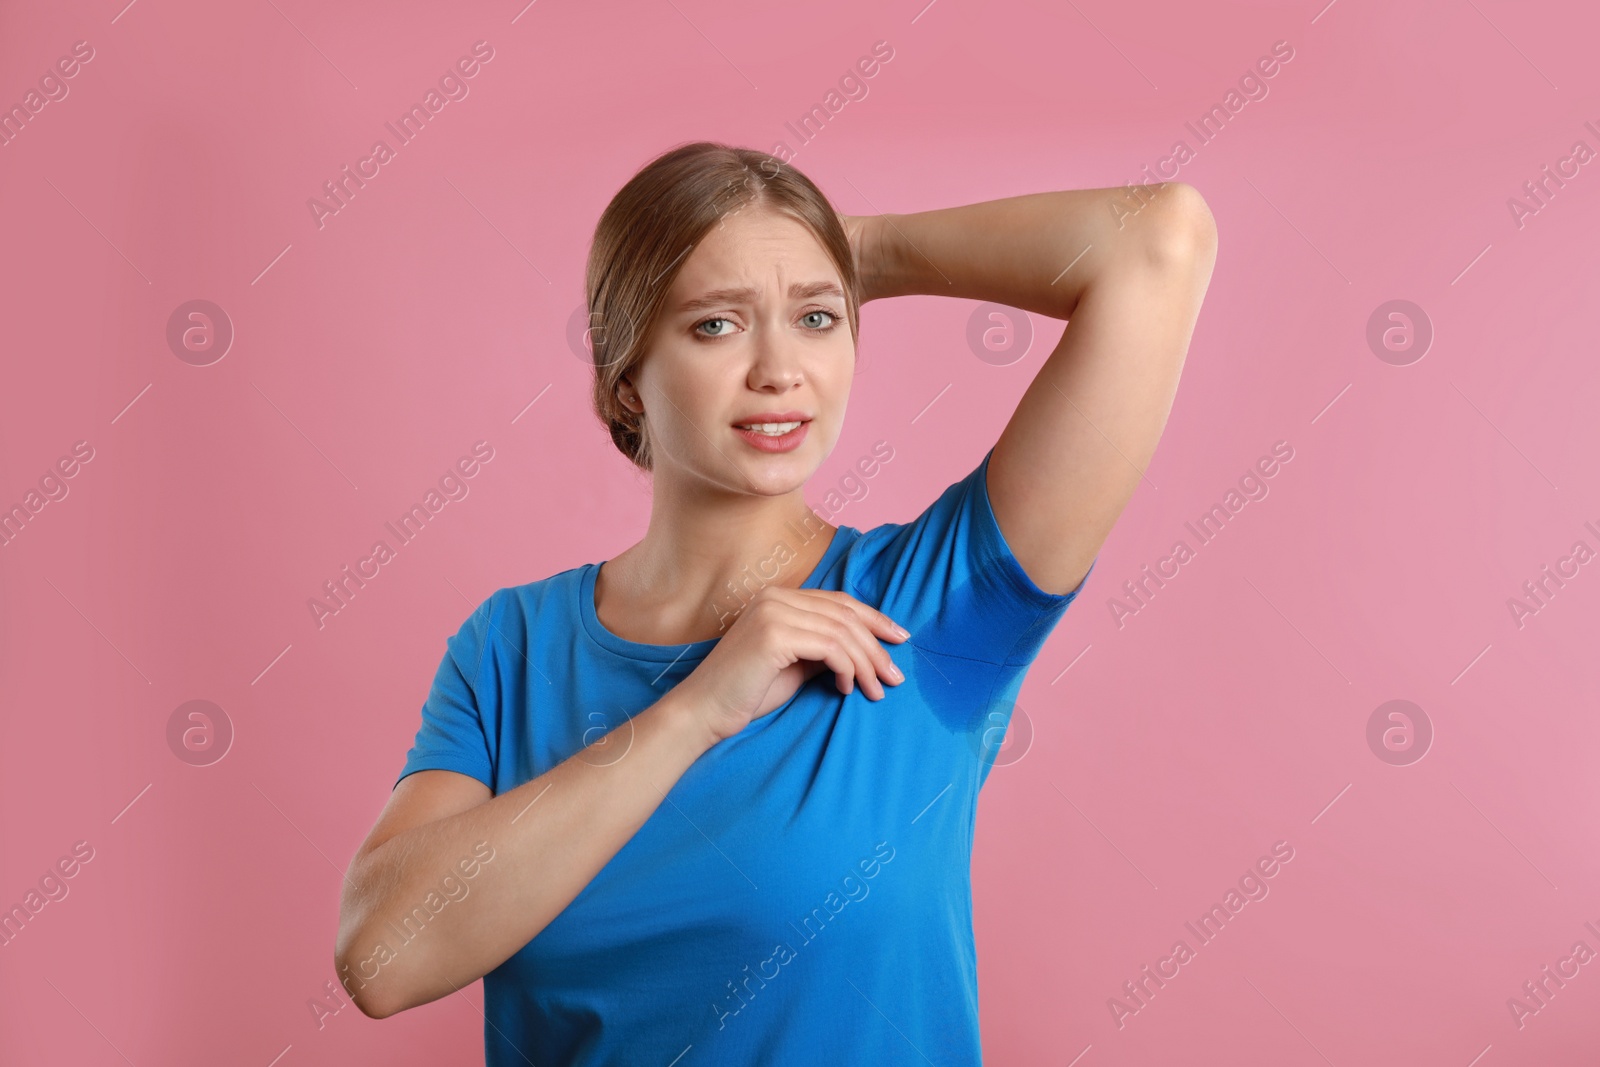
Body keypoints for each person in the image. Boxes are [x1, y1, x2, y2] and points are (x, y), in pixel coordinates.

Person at [334, 140, 1217, 1064]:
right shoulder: (512, 645)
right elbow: (381, 959)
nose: (779, 370)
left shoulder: (935, 606)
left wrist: (849, 251)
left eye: (816, 317)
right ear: (625, 374)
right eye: (716, 324)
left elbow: (1161, 239)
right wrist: (695, 711)